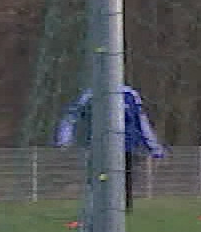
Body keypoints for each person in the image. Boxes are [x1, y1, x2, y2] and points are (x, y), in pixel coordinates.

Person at [54, 84, 167, 215]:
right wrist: (64, 138)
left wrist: (154, 147)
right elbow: (72, 116)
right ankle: (98, 211)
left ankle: (122, 215)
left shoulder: (130, 95)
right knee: (100, 180)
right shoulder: (91, 94)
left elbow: (142, 122)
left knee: (124, 182)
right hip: (98, 148)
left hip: (125, 148)